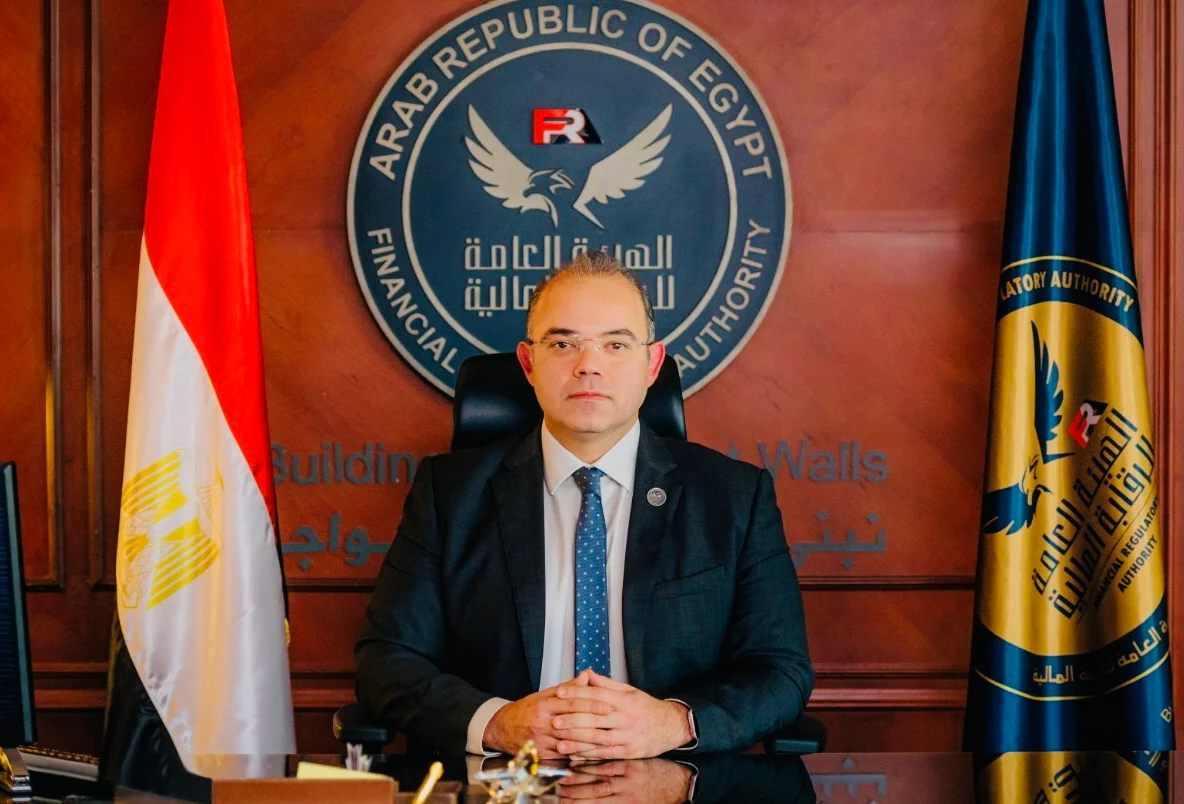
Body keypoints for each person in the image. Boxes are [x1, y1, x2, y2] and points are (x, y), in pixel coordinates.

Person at [356, 250, 812, 758]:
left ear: (651, 364)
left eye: (616, 344)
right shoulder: (449, 495)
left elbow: (781, 670)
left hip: (671, 774)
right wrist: (497, 723)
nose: (588, 365)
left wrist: (674, 723)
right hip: (506, 777)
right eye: (563, 343)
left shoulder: (734, 497)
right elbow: (386, 660)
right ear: (528, 363)